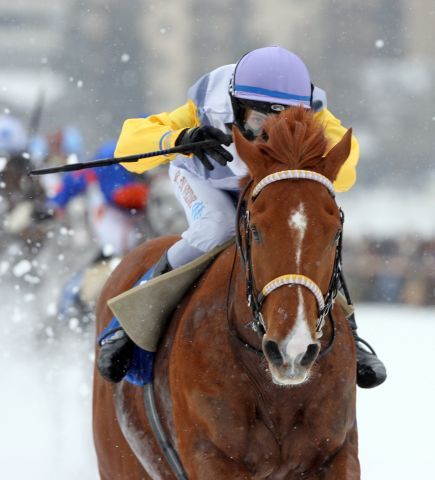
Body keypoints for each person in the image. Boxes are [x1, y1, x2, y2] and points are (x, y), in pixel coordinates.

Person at [97, 46, 387, 389]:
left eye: (283, 120)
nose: (268, 132)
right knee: (217, 228)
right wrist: (180, 139)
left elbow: (346, 171)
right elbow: (128, 148)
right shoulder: (209, 103)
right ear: (235, 105)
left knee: (304, 234)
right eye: (258, 120)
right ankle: (126, 325)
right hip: (208, 182)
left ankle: (351, 333)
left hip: (269, 188)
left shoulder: (317, 115)